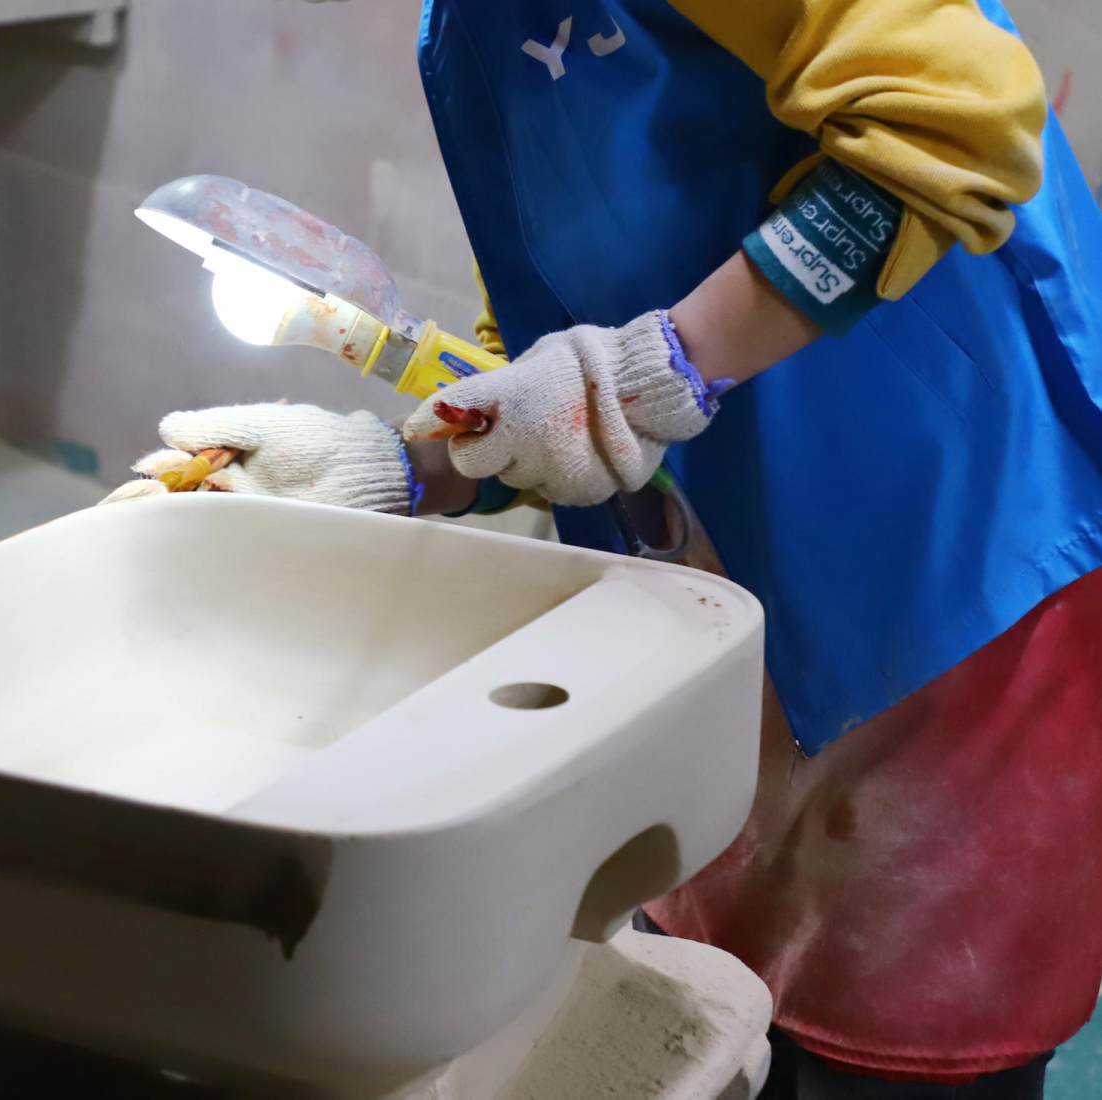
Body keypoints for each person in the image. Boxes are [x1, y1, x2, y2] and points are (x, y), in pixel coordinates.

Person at [113, 2, 1102, 1096]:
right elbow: (571, 367)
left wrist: (648, 372)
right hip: (733, 603)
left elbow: (957, 118)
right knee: (708, 1019)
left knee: (886, 1049)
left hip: (961, 575)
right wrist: (401, 468)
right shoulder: (477, 31)